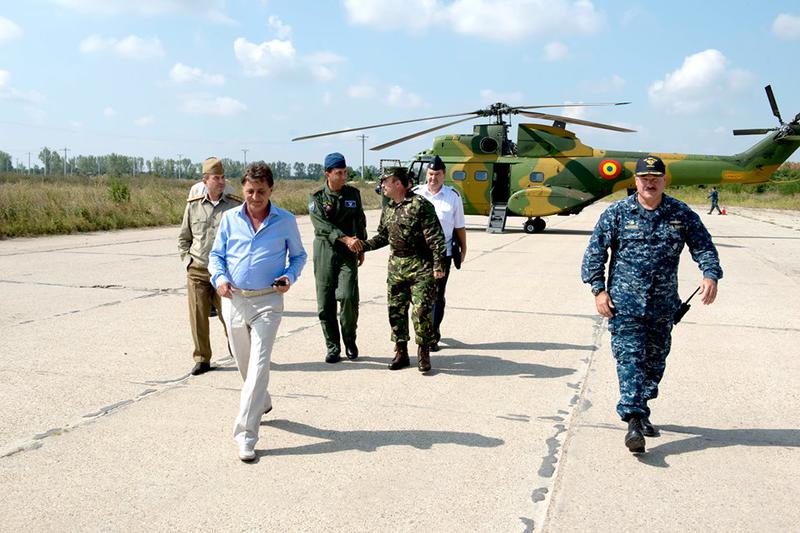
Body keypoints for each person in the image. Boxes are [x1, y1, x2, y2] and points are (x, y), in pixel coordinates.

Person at [581, 155, 722, 454]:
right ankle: (633, 419)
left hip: (662, 306)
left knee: (654, 364)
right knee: (630, 360)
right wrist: (598, 290)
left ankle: (641, 409)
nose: (650, 182)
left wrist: (710, 274)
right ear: (636, 181)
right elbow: (595, 253)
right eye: (644, 177)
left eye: (655, 177)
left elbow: (703, 246)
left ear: (664, 180)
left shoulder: (680, 213)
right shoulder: (617, 213)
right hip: (624, 305)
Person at [208, 162, 307, 462]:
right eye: (250, 191)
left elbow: (299, 256)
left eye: (261, 191)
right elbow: (216, 256)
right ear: (243, 189)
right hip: (234, 299)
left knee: (259, 365)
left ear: (271, 190)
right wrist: (219, 279)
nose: (255, 197)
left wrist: (289, 277)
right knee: (245, 364)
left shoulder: (285, 220)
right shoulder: (229, 219)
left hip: (268, 301)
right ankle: (261, 400)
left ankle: (246, 435)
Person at [355, 167, 446, 372]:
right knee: (395, 311)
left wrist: (438, 266)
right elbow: (383, 237)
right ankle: (401, 352)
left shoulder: (420, 205)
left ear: (398, 184)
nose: (382, 186)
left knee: (421, 311)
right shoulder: (388, 208)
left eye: (385, 182)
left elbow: (436, 238)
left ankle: (423, 352)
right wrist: (363, 246)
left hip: (420, 266)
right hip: (396, 267)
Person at [178, 157, 241, 376]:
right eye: (216, 178)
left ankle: (239, 351)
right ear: (205, 180)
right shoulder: (193, 205)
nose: (221, 182)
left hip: (224, 273)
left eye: (223, 177)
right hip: (198, 269)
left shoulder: (235, 205)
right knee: (198, 317)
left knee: (231, 318)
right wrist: (188, 262)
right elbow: (184, 237)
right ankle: (202, 358)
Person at [308, 152, 368, 363]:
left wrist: (361, 245)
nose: (344, 176)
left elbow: (360, 220)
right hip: (325, 252)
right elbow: (322, 226)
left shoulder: (353, 194)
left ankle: (350, 340)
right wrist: (345, 239)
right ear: (328, 174)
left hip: (348, 253)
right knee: (326, 303)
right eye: (339, 173)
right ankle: (333, 346)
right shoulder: (316, 198)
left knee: (349, 297)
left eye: (345, 172)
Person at [412, 155, 467, 351]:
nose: (433, 178)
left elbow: (459, 226)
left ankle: (433, 333)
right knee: (419, 296)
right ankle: (423, 331)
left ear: (444, 175)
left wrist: (464, 248)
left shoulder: (453, 196)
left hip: (443, 254)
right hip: (418, 254)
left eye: (437, 174)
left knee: (437, 296)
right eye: (430, 174)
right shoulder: (416, 194)